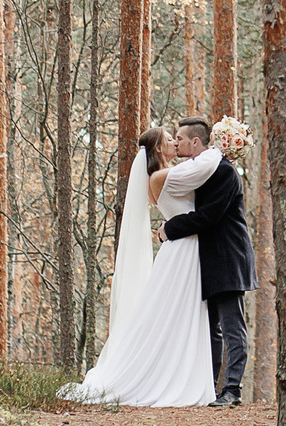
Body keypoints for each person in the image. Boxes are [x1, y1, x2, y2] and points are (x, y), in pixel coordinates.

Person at [59, 126, 221, 408]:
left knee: (183, 314)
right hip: (182, 250)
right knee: (180, 312)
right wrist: (222, 146)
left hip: (184, 246)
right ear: (158, 149)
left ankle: (181, 375)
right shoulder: (162, 176)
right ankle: (172, 379)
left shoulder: (165, 174)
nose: (174, 142)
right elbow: (203, 168)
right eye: (169, 139)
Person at [157, 116, 256, 405]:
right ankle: (209, 389)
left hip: (229, 257)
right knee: (210, 328)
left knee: (231, 325)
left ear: (195, 142)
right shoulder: (199, 172)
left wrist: (169, 230)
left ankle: (233, 390)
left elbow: (209, 217)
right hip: (206, 260)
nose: (176, 142)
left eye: (180, 137)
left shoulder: (224, 172)